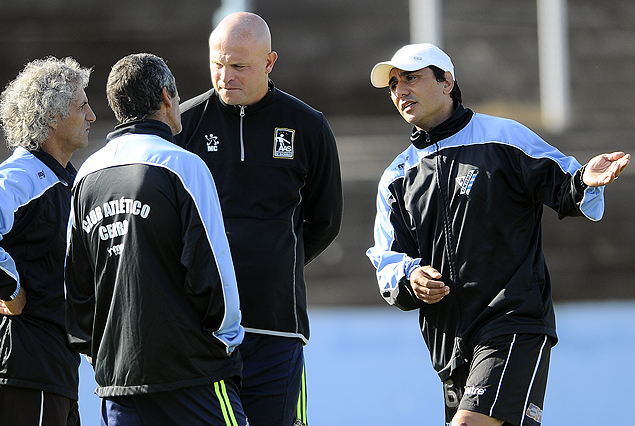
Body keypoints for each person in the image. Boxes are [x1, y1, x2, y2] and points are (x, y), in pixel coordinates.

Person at [366, 43, 630, 426]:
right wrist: (410, 277)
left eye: (411, 77)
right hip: (449, 347)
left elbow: (564, 182)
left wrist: (585, 179)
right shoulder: (396, 177)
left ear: (447, 82)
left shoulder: (503, 136)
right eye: (392, 85)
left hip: (512, 322)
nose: (400, 91)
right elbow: (387, 260)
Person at [176, 12, 343, 426]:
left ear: (269, 63)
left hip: (277, 326)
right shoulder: (182, 125)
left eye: (239, 66)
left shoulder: (308, 125)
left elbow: (325, 220)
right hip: (203, 329)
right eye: (217, 63)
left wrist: (277, 260)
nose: (224, 75)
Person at [64, 53, 247, 426]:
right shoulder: (184, 166)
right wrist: (225, 342)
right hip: (192, 378)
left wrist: (102, 353)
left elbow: (75, 286)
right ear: (167, 96)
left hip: (118, 384)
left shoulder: (86, 176)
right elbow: (213, 274)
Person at [0, 56, 95, 426]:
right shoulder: (20, 176)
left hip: (56, 370)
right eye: (82, 105)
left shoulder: (67, 182)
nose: (91, 116)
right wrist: (9, 288)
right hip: (27, 367)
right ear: (53, 117)